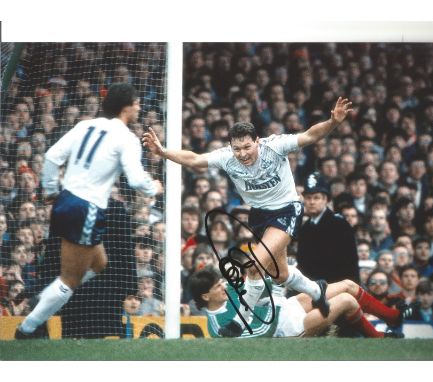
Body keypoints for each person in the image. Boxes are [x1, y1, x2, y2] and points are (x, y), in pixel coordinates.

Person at [144, 97, 354, 337]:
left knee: (255, 265)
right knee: (281, 274)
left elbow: (309, 136)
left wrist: (332, 122)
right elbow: (194, 159)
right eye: (237, 148)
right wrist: (162, 152)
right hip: (260, 215)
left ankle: (239, 320)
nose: (242, 153)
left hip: (287, 209)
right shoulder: (226, 157)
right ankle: (318, 292)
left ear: (257, 141)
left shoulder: (275, 145)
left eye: (247, 147)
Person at [15, 83, 159, 339]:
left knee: (100, 263)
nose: (139, 107)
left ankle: (46, 296)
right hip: (87, 208)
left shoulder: (85, 125)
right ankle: (28, 327)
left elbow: (51, 156)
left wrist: (50, 191)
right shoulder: (126, 137)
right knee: (70, 279)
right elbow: (137, 181)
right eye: (137, 102)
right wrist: (154, 187)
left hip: (65, 201)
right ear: (126, 106)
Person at [188, 266, 409, 338]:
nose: (224, 286)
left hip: (286, 308)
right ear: (205, 297)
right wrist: (275, 296)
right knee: (346, 300)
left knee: (348, 284)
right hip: (286, 329)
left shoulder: (232, 293)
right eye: (218, 286)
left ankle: (393, 317)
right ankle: (378, 338)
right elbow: (261, 334)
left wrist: (274, 275)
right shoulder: (218, 325)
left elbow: (260, 289)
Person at [296, 171, 359, 284]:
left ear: (326, 200)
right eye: (308, 198)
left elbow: (348, 263)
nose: (311, 202)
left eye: (316, 198)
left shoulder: (339, 224)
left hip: (337, 287)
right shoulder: (305, 228)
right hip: (312, 289)